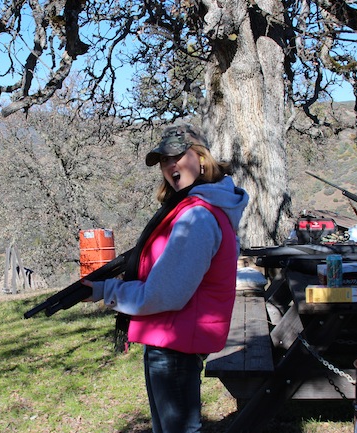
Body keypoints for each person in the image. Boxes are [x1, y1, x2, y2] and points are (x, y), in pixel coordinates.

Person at [83, 123, 248, 433]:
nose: (169, 165)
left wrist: (107, 291)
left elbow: (166, 293)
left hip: (175, 342)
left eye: (177, 156)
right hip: (171, 338)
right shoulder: (198, 207)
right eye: (163, 160)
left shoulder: (198, 216)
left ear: (201, 158)